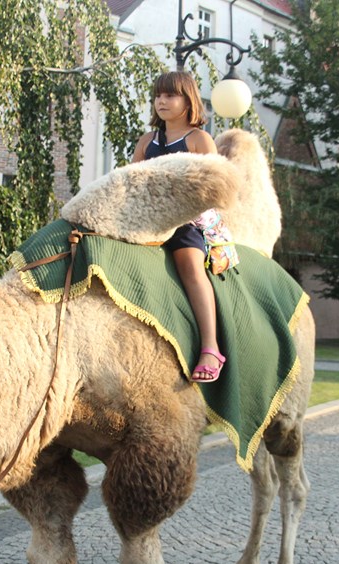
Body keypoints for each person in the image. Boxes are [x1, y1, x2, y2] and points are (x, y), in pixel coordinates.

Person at [132, 71, 224, 383]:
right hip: (150, 222)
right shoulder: (147, 141)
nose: (162, 101)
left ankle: (211, 347)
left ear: (189, 101)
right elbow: (133, 182)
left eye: (170, 95)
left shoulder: (199, 140)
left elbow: (213, 185)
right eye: (158, 95)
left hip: (187, 221)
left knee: (190, 265)